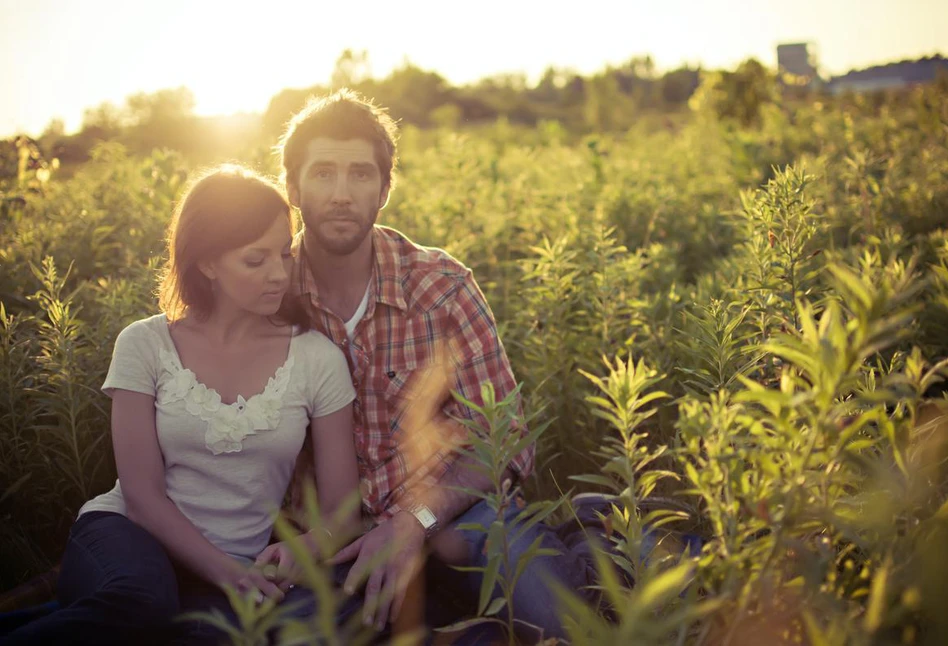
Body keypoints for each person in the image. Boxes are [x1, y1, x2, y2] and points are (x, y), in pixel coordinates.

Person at [279, 89, 598, 643]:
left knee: (566, 628)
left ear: (384, 189)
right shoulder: (269, 297)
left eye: (360, 175)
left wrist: (414, 522)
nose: (341, 194)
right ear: (293, 186)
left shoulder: (441, 287)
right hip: (337, 540)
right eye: (323, 173)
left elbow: (504, 441)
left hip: (455, 516)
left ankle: (594, 542)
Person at [1, 165, 361, 646]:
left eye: (283, 253)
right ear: (207, 264)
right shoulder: (146, 343)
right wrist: (226, 574)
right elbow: (143, 496)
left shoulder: (317, 358)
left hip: (238, 565)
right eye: (255, 261)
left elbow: (342, 509)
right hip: (126, 538)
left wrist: (309, 547)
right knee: (142, 601)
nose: (279, 274)